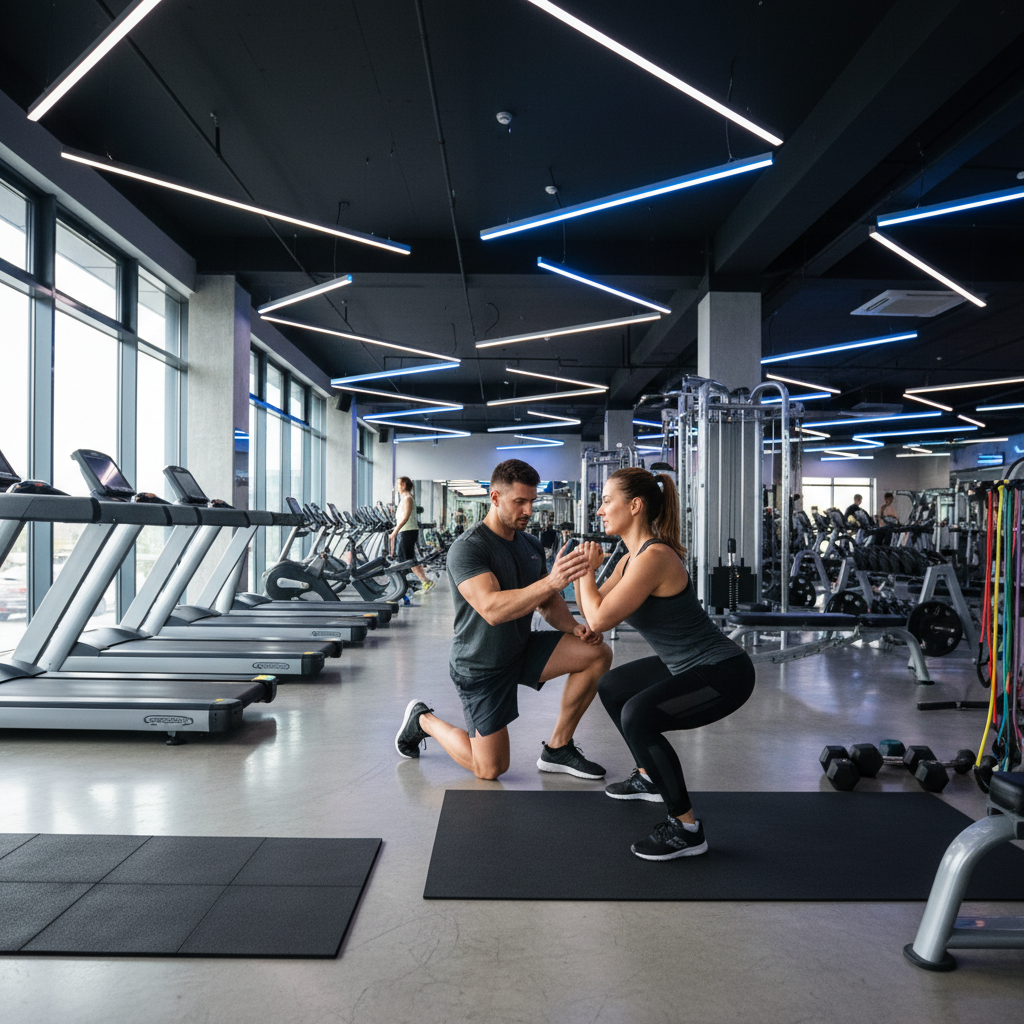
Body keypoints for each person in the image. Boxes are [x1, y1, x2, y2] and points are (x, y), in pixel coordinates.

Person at [573, 467, 755, 862]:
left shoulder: (655, 557)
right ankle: (648, 777)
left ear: (634, 506)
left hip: (724, 672)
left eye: (606, 501)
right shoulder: (629, 560)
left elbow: (599, 619)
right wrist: (579, 574)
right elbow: (593, 612)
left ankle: (686, 828)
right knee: (613, 687)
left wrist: (585, 571)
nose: (600, 510)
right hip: (684, 665)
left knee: (638, 716)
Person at [395, 459, 613, 781]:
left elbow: (546, 601)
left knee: (597, 653)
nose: (528, 510)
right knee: (490, 768)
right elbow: (492, 609)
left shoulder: (530, 544)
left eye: (532, 501)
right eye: (519, 502)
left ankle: (558, 747)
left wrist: (575, 626)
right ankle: (422, 720)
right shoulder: (468, 548)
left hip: (520, 649)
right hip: (481, 665)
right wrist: (551, 582)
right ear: (495, 498)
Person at [390, 476, 433, 593]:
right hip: (406, 531)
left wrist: (394, 532)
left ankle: (417, 583)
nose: (397, 487)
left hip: (407, 532)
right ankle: (424, 581)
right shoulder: (405, 498)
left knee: (405, 561)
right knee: (408, 559)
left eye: (398, 484)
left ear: (403, 485)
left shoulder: (408, 498)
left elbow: (406, 518)